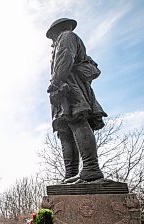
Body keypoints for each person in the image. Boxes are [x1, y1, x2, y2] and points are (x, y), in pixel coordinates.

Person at [46, 18, 107, 183]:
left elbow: (65, 57)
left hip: (68, 86)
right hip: (62, 88)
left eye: (52, 36)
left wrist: (56, 82)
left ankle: (91, 169)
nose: (52, 41)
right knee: (64, 131)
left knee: (77, 121)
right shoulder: (60, 41)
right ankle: (71, 173)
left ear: (62, 28)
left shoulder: (66, 36)